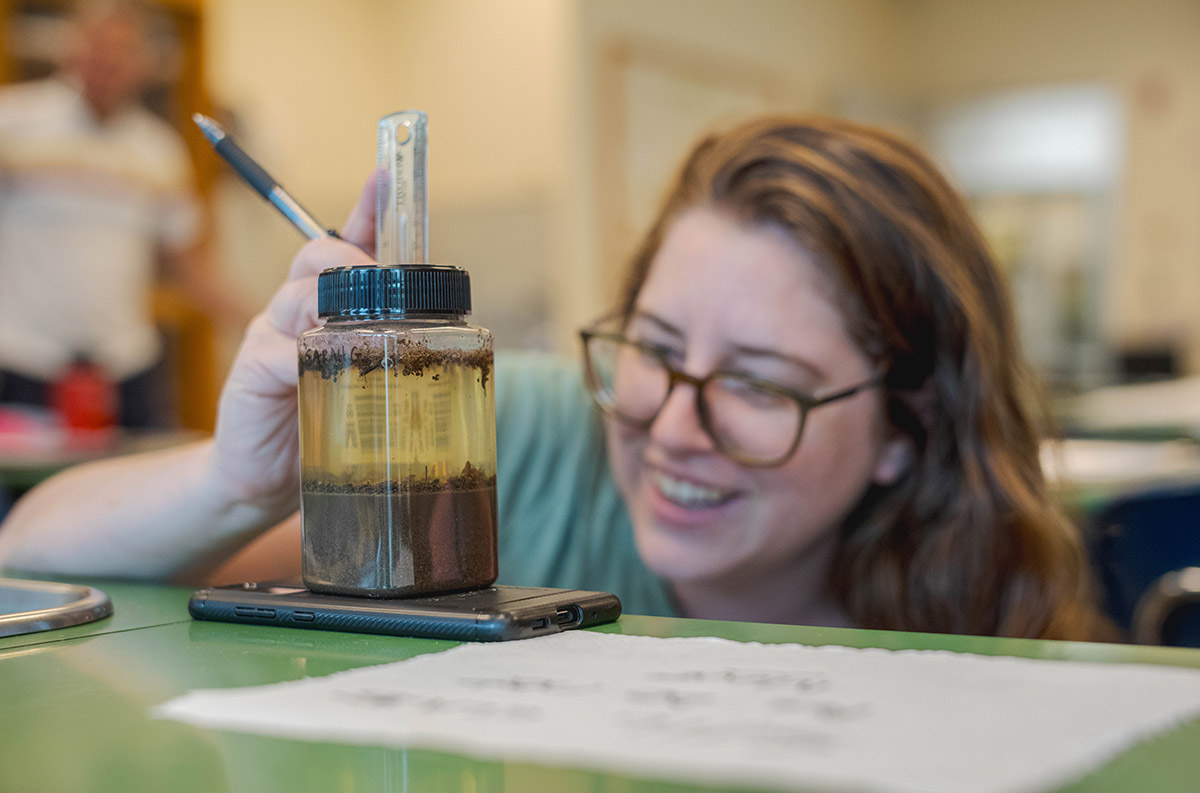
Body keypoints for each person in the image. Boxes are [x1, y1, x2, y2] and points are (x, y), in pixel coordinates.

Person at [0, 115, 1111, 640]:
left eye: (762, 385)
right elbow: (28, 556)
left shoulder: (979, 605)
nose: (674, 426)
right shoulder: (516, 432)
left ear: (907, 428)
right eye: (657, 348)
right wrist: (236, 490)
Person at [0, 0, 246, 427]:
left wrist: (264, 321)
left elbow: (191, 264)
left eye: (122, 50)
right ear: (70, 49)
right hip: (23, 362)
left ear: (145, 64)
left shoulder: (159, 150)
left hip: (125, 367)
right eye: (96, 44)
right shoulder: (12, 122)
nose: (106, 59)